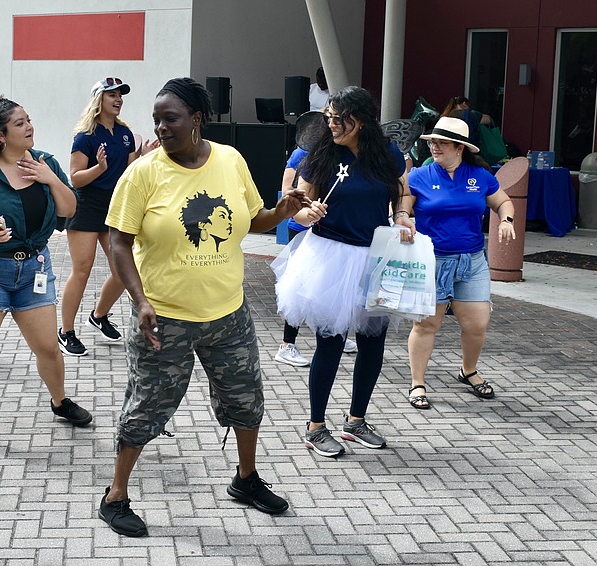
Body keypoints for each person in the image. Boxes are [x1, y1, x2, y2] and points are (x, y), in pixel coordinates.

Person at [98, 77, 310, 537]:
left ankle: (246, 480)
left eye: (170, 118)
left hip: (227, 314)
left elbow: (255, 219)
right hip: (164, 318)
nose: (160, 127)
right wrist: (139, 300)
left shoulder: (230, 161)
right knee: (147, 407)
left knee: (245, 399)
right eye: (157, 119)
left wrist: (284, 210)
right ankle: (115, 496)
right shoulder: (143, 173)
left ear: (196, 119)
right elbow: (118, 243)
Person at [0, 96, 93, 451]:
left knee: (48, 349)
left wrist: (49, 178)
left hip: (34, 269)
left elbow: (70, 208)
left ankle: (59, 402)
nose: (29, 127)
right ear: (0, 134)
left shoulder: (46, 163)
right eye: (20, 123)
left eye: (29, 120)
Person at [273, 86, 414, 458]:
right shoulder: (320, 154)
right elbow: (297, 208)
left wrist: (401, 214)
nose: (332, 125)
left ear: (362, 119)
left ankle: (356, 420)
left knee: (373, 343)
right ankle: (315, 426)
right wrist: (308, 213)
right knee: (330, 342)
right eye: (328, 118)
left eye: (339, 119)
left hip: (375, 255)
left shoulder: (387, 152)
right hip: (331, 256)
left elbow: (402, 189)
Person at [397, 116, 515, 409]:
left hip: (472, 260)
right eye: (432, 142)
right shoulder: (420, 176)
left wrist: (507, 219)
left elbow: (503, 201)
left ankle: (468, 371)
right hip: (434, 261)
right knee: (427, 324)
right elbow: (403, 203)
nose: (434, 147)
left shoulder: (479, 175)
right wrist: (402, 217)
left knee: (477, 324)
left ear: (459, 147)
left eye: (441, 143)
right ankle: (418, 384)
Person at [58, 78, 158, 357]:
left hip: (115, 207)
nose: (118, 99)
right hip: (87, 207)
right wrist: (98, 168)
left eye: (120, 95)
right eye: (111, 95)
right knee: (82, 270)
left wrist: (143, 157)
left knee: (122, 271)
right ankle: (66, 332)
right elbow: (76, 179)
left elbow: (127, 172)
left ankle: (99, 315)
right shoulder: (85, 136)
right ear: (98, 100)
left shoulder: (125, 133)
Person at [273, 146, 357, 367]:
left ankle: (336, 331)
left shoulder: (345, 153)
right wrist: (309, 206)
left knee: (330, 286)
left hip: (327, 229)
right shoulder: (302, 153)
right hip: (303, 228)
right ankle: (286, 344)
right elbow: (287, 189)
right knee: (300, 286)